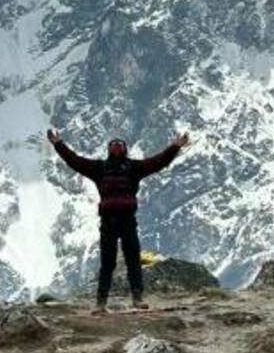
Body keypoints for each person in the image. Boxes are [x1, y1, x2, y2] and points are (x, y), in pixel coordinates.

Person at [48, 129, 190, 313]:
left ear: (124, 150)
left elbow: (159, 161)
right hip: (109, 221)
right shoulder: (100, 168)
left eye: (119, 146)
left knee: (131, 259)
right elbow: (74, 160)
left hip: (126, 219)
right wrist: (58, 144)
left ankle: (133, 299)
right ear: (110, 150)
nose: (116, 149)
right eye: (114, 146)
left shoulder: (132, 167)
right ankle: (102, 303)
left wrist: (175, 147)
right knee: (109, 262)